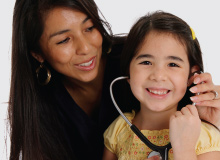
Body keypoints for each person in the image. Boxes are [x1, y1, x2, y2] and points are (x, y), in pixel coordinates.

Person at [8, 0, 220, 159]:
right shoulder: (119, 131)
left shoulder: (202, 137)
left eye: (90, 28)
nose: (85, 48)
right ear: (37, 53)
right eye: (64, 40)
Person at [103, 11, 220, 160]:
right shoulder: (118, 130)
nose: (158, 76)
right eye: (146, 62)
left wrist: (184, 149)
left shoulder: (204, 136)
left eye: (173, 64)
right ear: (128, 72)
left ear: (191, 76)